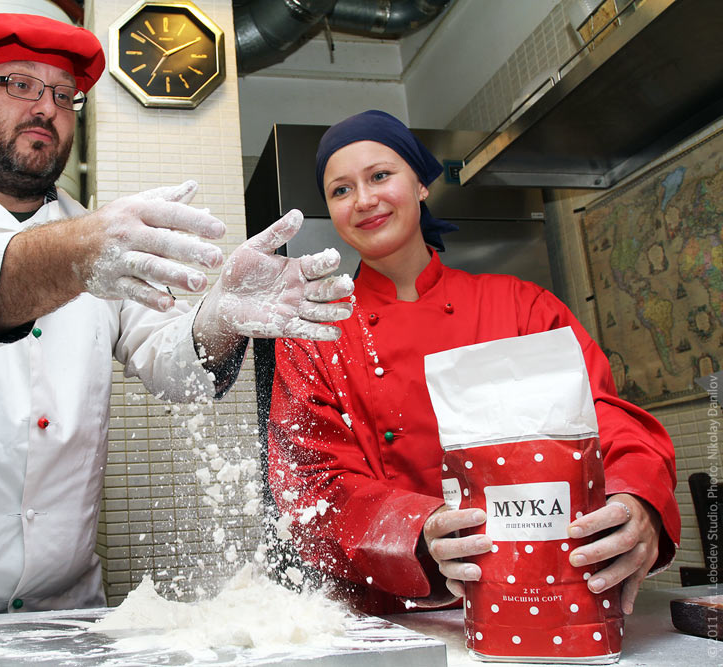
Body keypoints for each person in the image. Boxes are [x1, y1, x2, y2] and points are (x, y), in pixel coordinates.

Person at [0, 13, 354, 638]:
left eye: (63, 95)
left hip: (57, 617)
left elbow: (174, 365)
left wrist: (220, 319)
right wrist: (72, 258)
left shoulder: (100, 234)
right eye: (19, 84)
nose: (47, 108)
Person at [267, 110, 680, 615]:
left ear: (420, 185)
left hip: (541, 592)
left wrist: (638, 498)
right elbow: (309, 483)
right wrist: (419, 532)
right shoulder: (314, 335)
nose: (365, 200)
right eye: (341, 190)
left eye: (380, 175)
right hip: (390, 615)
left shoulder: (523, 306)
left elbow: (602, 419)